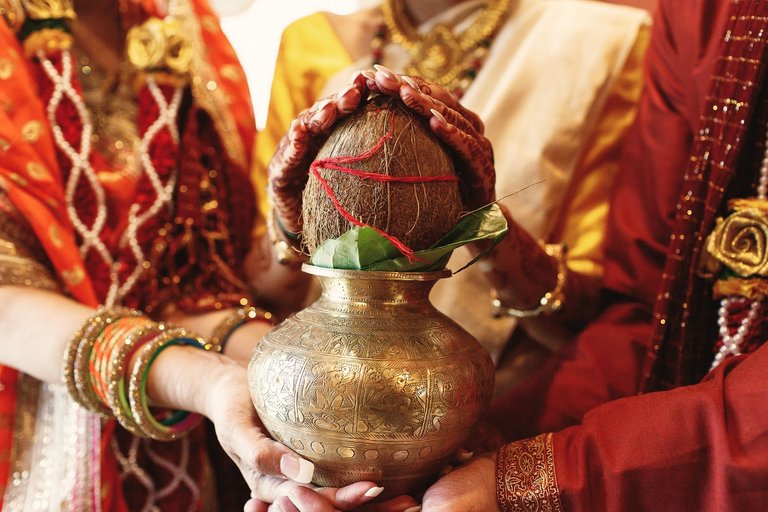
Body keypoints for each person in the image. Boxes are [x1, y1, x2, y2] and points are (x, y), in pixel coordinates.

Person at [0, 0, 328, 509]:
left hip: (188, 451)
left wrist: (304, 380)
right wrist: (208, 382)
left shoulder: (188, 29)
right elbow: (8, 311)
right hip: (32, 444)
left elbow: (199, 284)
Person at [257, 0, 651, 396]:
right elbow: (262, 292)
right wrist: (288, 217)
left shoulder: (600, 44)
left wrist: (486, 222)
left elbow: (598, 322)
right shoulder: (309, 42)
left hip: (499, 410)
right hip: (312, 389)